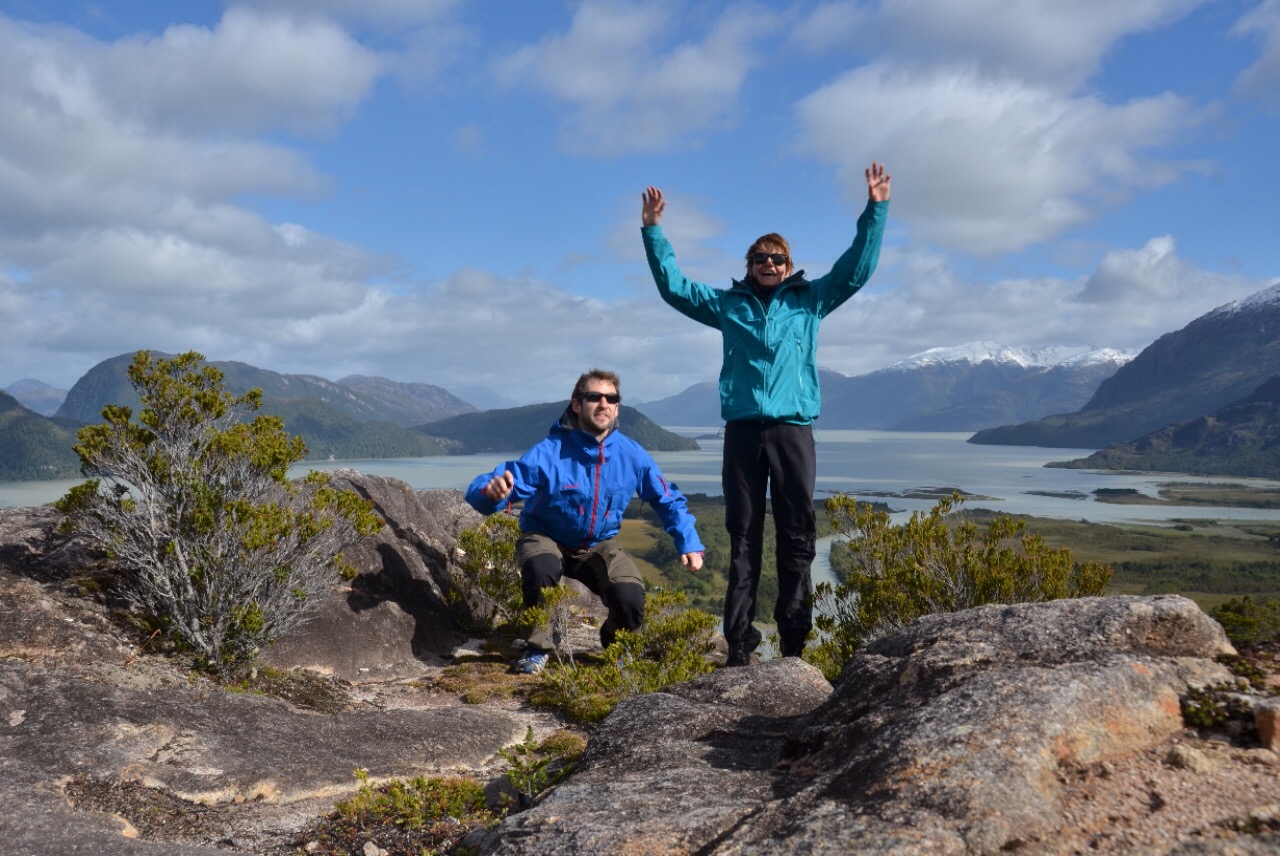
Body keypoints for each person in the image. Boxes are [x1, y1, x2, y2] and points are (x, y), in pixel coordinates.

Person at [640, 162, 891, 667]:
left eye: (777, 258)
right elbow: (674, 288)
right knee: (743, 536)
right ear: (749, 265)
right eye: (760, 258)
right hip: (742, 433)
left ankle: (794, 642)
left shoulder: (810, 300)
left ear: (789, 264)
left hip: (793, 430)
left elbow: (856, 270)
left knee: (797, 535)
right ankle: (739, 644)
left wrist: (876, 209)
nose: (769, 264)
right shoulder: (728, 305)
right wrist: (653, 231)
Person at [465, 369, 705, 674]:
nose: (604, 404)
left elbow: (667, 498)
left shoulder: (632, 455)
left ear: (617, 408)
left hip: (597, 544)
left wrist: (688, 542)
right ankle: (538, 646)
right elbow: (492, 485)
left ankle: (616, 644)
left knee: (630, 596)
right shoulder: (550, 451)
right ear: (577, 405)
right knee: (541, 567)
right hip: (546, 535)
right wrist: (490, 492)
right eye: (594, 397)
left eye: (611, 399)